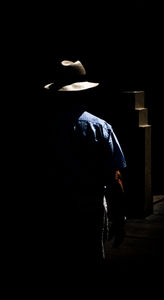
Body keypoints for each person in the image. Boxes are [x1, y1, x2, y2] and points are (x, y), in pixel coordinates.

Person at [40, 59, 127, 273]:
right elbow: (115, 177)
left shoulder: (43, 129)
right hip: (90, 209)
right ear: (84, 92)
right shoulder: (99, 128)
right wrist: (119, 218)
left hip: (53, 209)